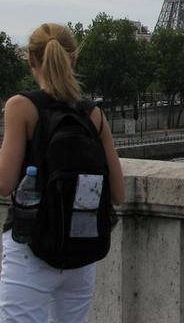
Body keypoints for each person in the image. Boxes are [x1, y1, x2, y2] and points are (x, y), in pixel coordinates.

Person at [0, 23, 125, 322]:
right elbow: (118, 193)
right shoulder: (93, 114)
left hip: (30, 247)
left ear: (31, 59)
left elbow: (4, 184)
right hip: (81, 251)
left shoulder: (21, 107)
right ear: (73, 59)